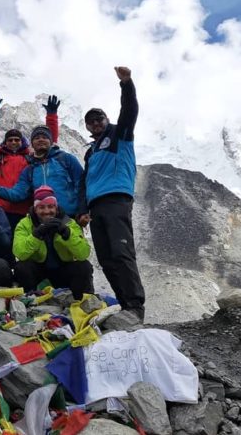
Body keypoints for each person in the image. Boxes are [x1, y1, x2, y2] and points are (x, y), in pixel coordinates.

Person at [78, 66, 145, 320]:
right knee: (106, 257)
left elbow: (129, 111)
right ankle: (125, 304)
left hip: (117, 199)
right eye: (91, 121)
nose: (96, 123)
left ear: (106, 120)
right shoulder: (91, 151)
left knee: (121, 252)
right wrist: (82, 211)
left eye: (99, 119)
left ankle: (136, 306)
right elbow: (85, 181)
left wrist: (126, 83)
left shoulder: (120, 134)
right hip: (95, 206)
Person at [0, 83, 60, 231]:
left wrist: (52, 116)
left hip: (26, 209)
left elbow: (50, 142)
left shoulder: (31, 157)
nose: (13, 142)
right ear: (5, 142)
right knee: (2, 245)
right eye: (10, 140)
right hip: (0, 206)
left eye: (17, 140)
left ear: (22, 141)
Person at [13, 186, 93, 298]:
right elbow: (19, 253)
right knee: (22, 267)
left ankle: (81, 300)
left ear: (56, 208)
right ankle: (30, 299)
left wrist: (67, 234)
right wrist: (37, 234)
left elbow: (83, 253)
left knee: (84, 266)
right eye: (41, 207)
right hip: (39, 270)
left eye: (50, 207)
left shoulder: (69, 223)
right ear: (35, 209)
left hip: (63, 269)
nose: (46, 212)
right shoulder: (24, 224)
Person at [0, 125, 84, 217]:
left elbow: (81, 184)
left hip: (69, 216)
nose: (41, 140)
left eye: (44, 137)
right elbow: (19, 193)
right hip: (42, 219)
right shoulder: (29, 169)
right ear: (32, 144)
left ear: (51, 141)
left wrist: (83, 211)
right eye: (37, 138)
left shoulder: (66, 159)